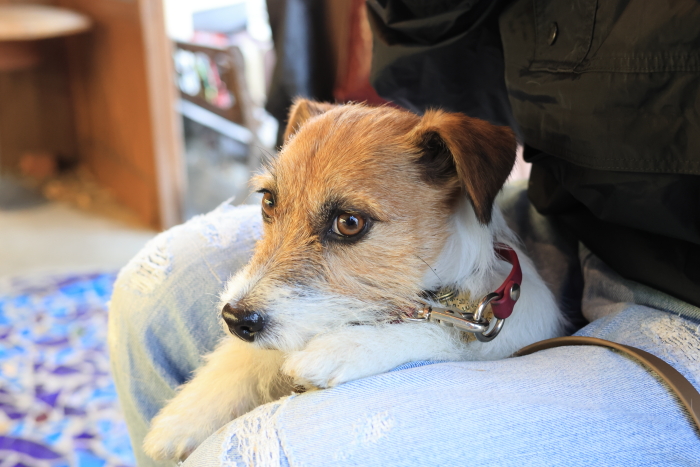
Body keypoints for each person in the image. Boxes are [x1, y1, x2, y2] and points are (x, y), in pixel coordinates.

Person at [109, 1, 700, 465]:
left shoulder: (453, 172)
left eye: (348, 223)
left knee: (255, 454)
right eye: (271, 202)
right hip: (573, 208)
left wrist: (397, 344)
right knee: (154, 290)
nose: (256, 283)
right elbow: (430, 70)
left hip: (681, 290)